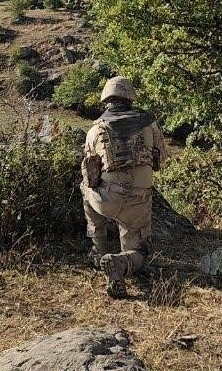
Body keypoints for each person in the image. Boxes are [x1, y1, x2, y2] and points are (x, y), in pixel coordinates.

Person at [80, 76, 168, 298]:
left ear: (106, 99)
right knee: (139, 251)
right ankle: (120, 262)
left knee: (85, 189)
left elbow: (90, 173)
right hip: (138, 200)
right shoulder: (149, 122)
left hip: (106, 200)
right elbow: (160, 160)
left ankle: (98, 250)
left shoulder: (95, 129)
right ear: (130, 97)